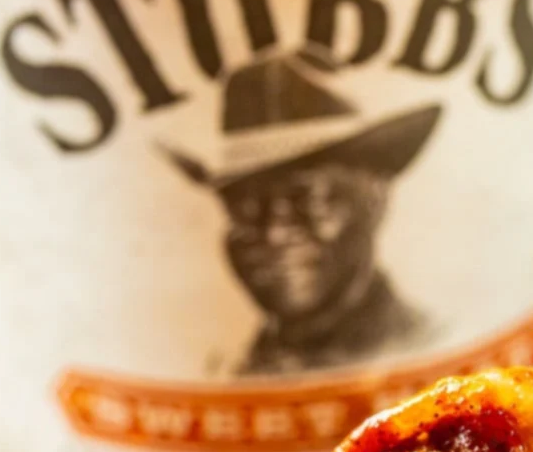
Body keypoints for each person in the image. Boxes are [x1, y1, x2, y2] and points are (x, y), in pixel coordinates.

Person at [163, 50, 442, 375]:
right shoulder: (238, 367)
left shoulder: (422, 342)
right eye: (245, 209)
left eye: (309, 200)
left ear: (374, 202)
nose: (274, 233)